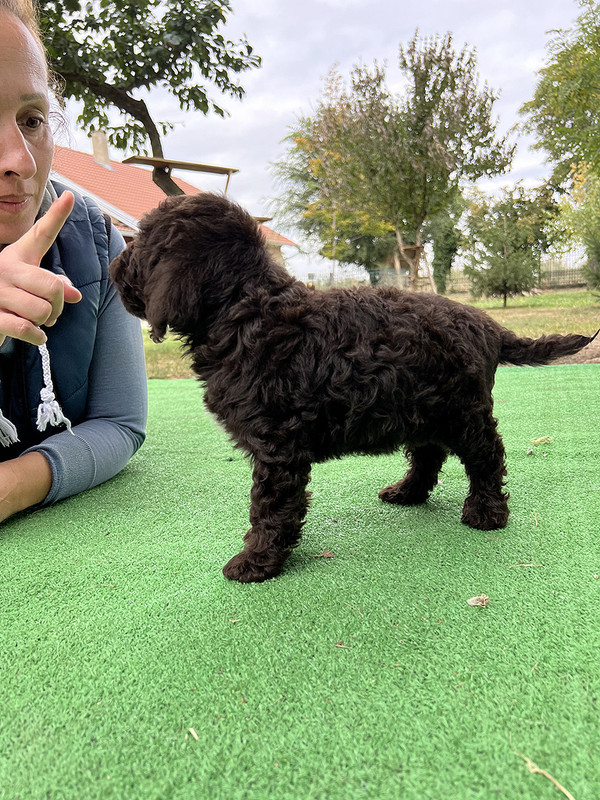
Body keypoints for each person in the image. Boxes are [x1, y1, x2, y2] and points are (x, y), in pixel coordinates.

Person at [0, 0, 147, 523]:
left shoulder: (100, 243)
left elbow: (121, 422)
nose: (18, 160)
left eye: (32, 119)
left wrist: (14, 485)